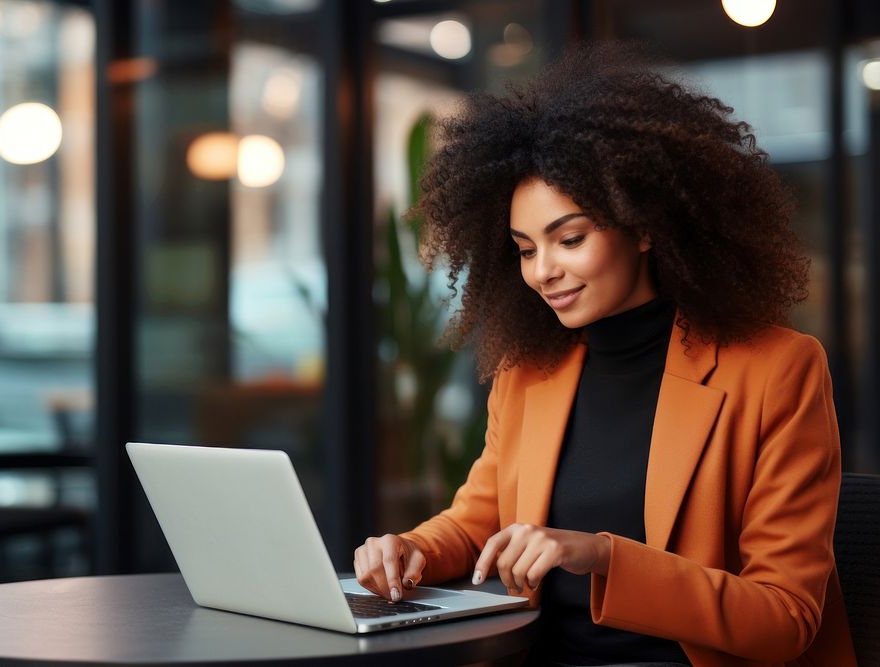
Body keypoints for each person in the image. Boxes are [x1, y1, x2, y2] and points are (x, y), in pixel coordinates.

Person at [353, 43, 857, 667]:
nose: (543, 272)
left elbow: (784, 620)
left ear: (642, 226)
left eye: (569, 239)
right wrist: (411, 549)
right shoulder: (529, 373)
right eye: (525, 249)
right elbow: (478, 521)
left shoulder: (778, 369)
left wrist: (603, 556)